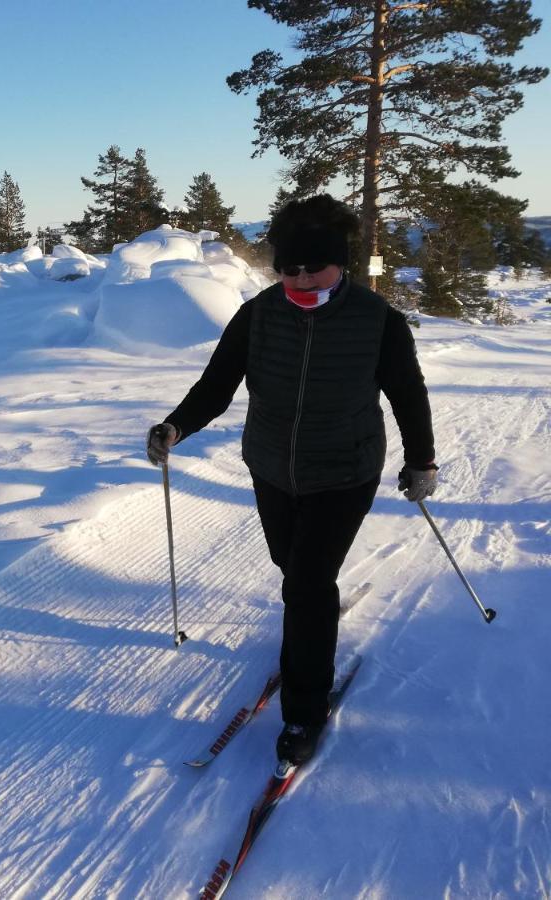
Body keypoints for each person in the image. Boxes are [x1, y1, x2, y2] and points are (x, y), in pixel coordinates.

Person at [146, 194, 437, 766]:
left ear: (341, 263)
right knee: (292, 565)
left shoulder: (377, 321)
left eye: (314, 267)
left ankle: (304, 709)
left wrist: (421, 460)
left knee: (306, 582)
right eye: (288, 268)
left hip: (344, 471)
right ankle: (311, 621)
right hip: (272, 466)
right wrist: (177, 425)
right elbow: (217, 383)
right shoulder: (259, 314)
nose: (300, 278)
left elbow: (408, 395)